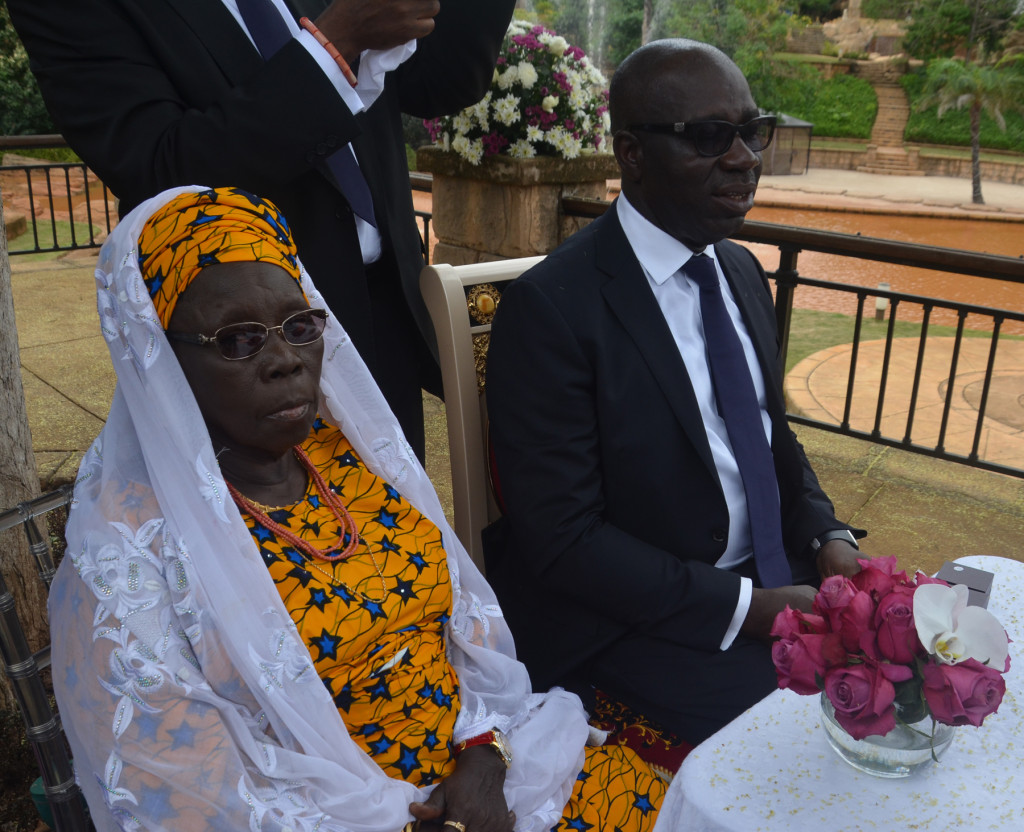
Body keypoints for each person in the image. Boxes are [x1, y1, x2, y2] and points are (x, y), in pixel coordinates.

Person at [51, 185, 673, 832]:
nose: (286, 360)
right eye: (238, 340)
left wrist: (487, 751)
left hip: (490, 776)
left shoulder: (351, 461)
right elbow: (189, 795)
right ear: (157, 353)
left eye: (299, 326)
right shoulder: (126, 560)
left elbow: (465, 629)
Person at [483, 39, 866, 748]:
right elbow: (564, 542)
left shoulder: (742, 271)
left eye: (753, 132)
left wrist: (827, 532)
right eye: (711, 138)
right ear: (630, 153)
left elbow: (769, 436)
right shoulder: (553, 308)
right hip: (631, 620)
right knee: (822, 735)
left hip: (775, 574)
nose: (746, 158)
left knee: (912, 665)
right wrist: (751, 607)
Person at [6, 0, 516, 461]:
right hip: (244, 348)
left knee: (399, 547)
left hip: (385, 319)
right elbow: (159, 166)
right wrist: (333, 45)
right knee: (282, 557)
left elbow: (441, 80)